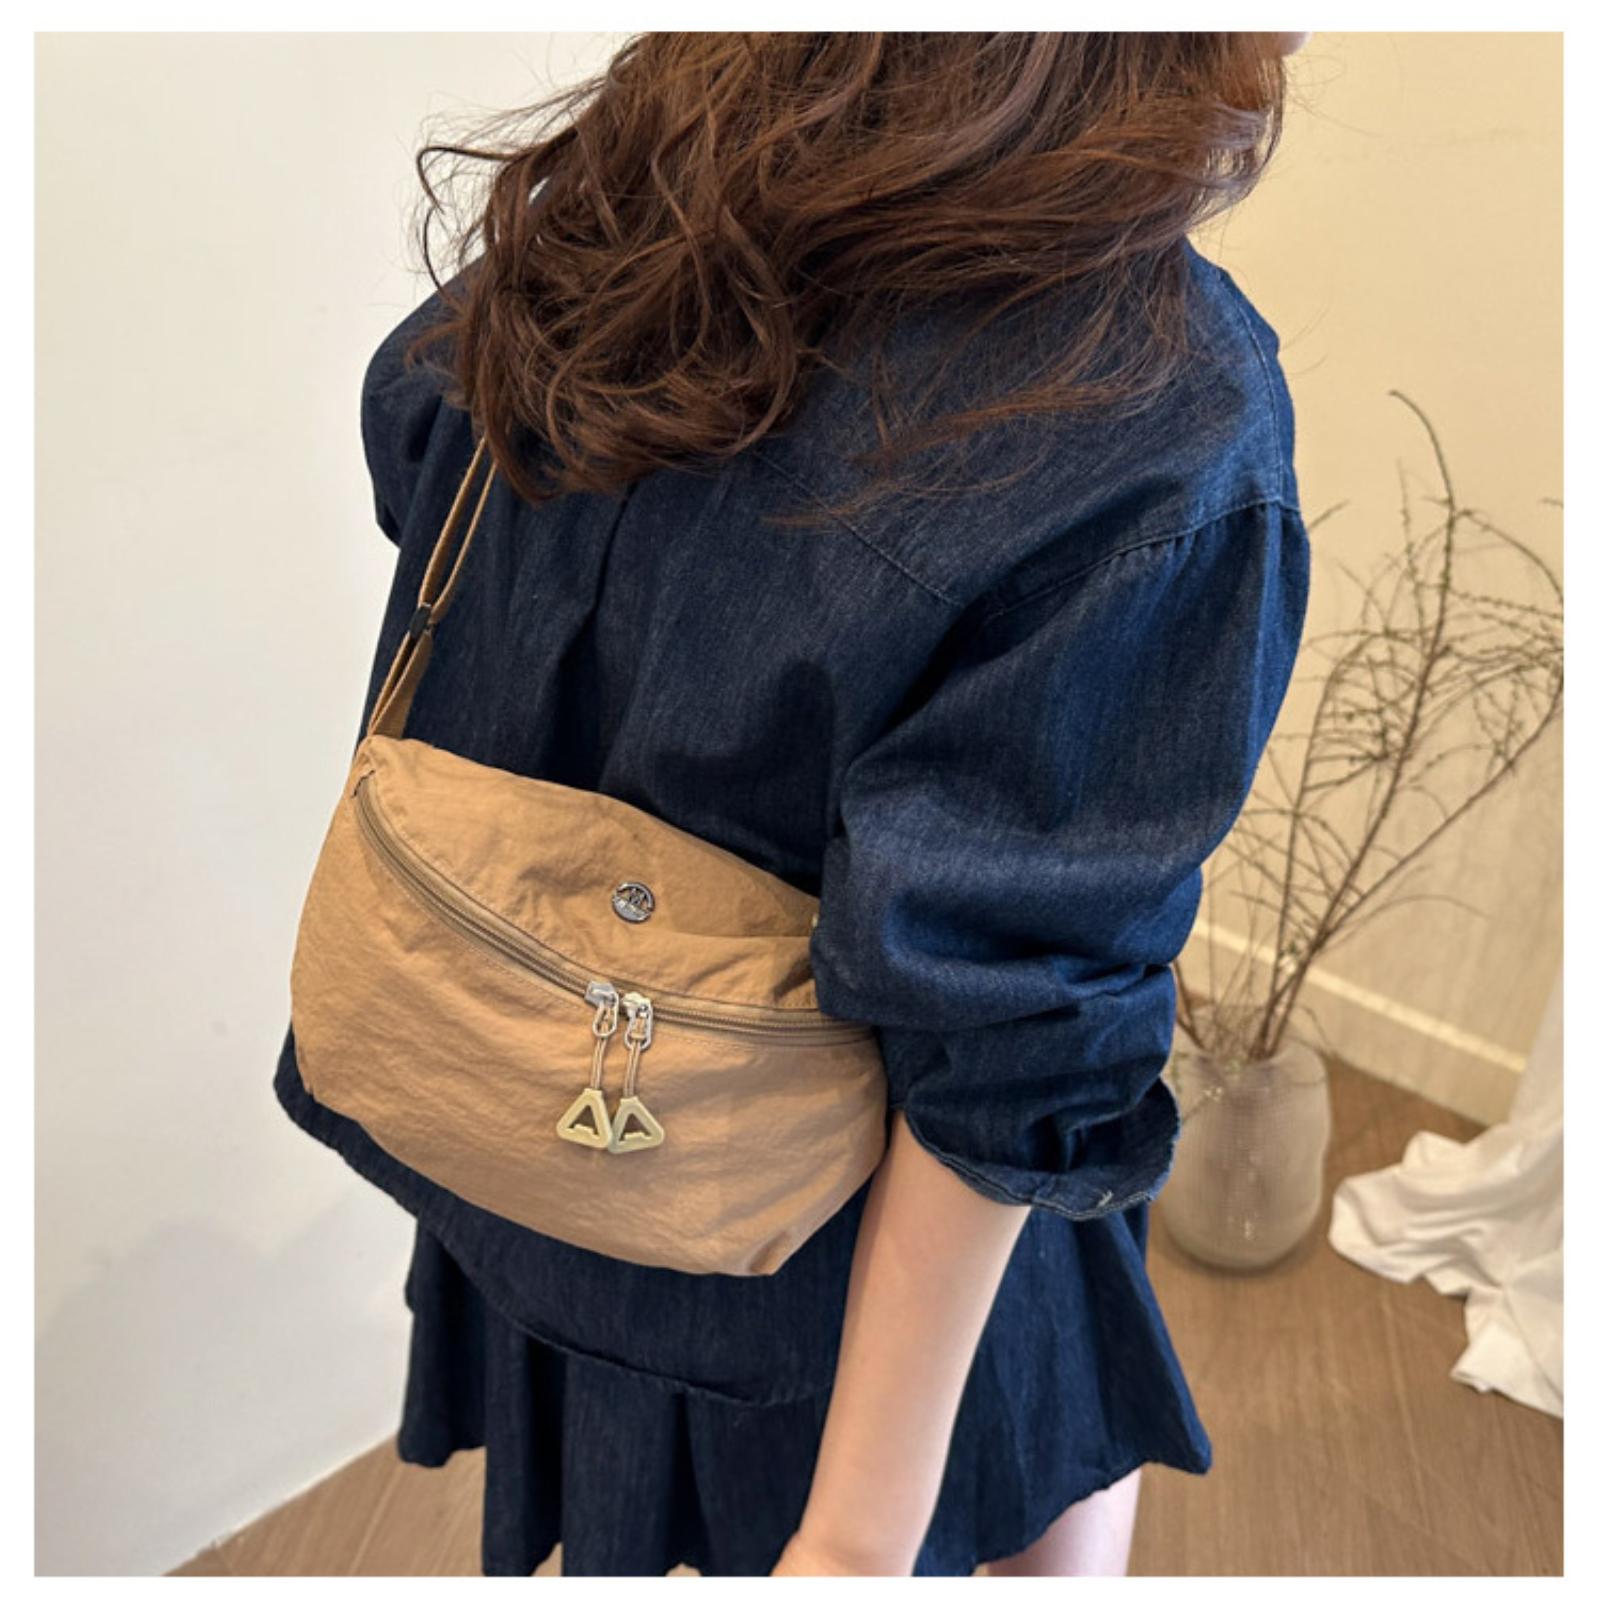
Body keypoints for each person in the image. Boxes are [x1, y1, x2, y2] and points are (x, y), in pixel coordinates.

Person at [274, 31, 1314, 1578]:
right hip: (826, 1239)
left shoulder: (657, 154)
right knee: (1032, 1443)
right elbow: (1005, 1036)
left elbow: (414, 435)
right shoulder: (1154, 399)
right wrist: (855, 1542)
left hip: (523, 1102)